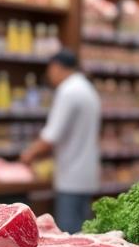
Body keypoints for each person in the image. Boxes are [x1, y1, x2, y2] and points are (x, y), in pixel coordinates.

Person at [20, 49, 101, 234]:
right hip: (86, 174)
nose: (49, 75)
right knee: (85, 232)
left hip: (71, 176)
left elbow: (52, 136)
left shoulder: (68, 90)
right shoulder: (88, 89)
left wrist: (28, 155)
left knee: (70, 235)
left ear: (56, 67)